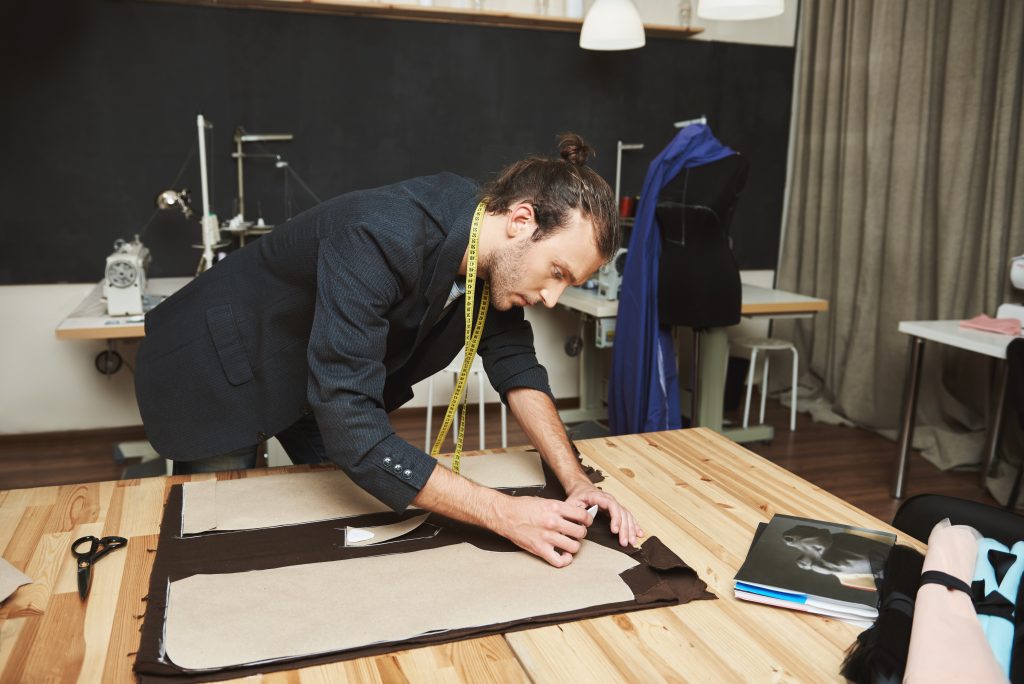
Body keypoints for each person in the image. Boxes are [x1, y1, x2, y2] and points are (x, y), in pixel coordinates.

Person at [135, 133, 643, 568]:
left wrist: (575, 481)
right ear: (520, 219)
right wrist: (503, 512)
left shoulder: (490, 253)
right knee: (216, 545)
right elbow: (354, 427)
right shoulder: (379, 232)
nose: (553, 298)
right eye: (556, 273)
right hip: (218, 367)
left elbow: (519, 368)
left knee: (353, 512)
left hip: (315, 374)